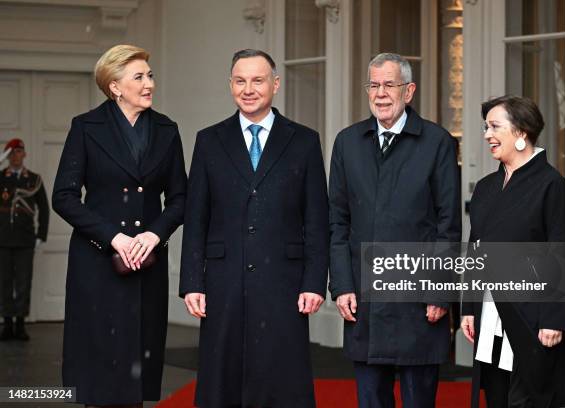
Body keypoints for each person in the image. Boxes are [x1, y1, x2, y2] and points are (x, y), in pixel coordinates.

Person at [179, 49, 329, 408]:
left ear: (275, 85)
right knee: (222, 379)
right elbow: (196, 216)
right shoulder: (208, 140)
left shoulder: (304, 141)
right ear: (230, 85)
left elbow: (317, 219)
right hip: (222, 280)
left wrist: (313, 281)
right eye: (240, 80)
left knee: (282, 378)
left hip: (285, 281)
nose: (249, 89)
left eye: (258, 80)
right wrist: (191, 283)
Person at [52, 44, 186, 407]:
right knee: (97, 369)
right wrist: (113, 237)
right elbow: (63, 196)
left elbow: (180, 199)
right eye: (139, 77)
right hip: (97, 264)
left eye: (150, 75)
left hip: (146, 262)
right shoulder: (85, 127)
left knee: (137, 365)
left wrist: (153, 234)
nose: (149, 84)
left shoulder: (166, 130)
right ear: (114, 86)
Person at [329, 52, 461, 408]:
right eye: (373, 85)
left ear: (409, 90)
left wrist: (439, 291)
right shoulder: (347, 143)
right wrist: (341, 285)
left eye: (390, 84)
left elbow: (449, 226)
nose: (380, 93)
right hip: (365, 301)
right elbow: (337, 222)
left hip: (417, 303)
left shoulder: (438, 143)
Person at [460, 95, 565, 407]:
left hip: (532, 317)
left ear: (522, 132)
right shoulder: (486, 187)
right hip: (490, 313)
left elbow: (561, 255)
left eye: (495, 126)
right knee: (497, 396)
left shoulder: (553, 186)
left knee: (528, 399)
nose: (487, 134)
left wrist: (554, 318)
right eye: (486, 127)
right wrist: (469, 308)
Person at [0, 138, 49, 341]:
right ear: (7, 156)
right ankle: (7, 324)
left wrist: (40, 236)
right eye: (11, 153)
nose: (16, 156)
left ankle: (20, 324)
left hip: (25, 240)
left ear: (24, 154)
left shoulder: (33, 180)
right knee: (3, 283)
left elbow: (44, 209)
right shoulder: (1, 178)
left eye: (19, 152)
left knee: (22, 283)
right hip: (2, 240)